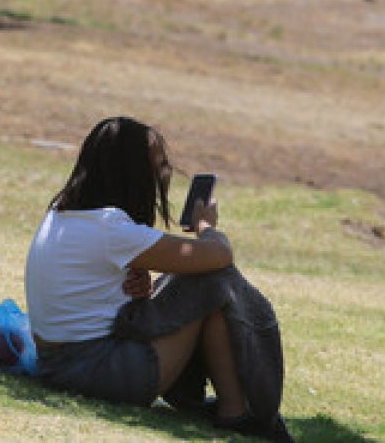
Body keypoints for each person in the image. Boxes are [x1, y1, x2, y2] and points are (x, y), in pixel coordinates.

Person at [25, 116, 291, 442]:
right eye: (159, 166)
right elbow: (219, 256)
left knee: (190, 280)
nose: (163, 175)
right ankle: (238, 413)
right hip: (99, 373)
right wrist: (206, 225)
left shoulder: (62, 214)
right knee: (213, 279)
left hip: (57, 366)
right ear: (132, 172)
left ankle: (230, 406)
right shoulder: (111, 229)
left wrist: (132, 288)